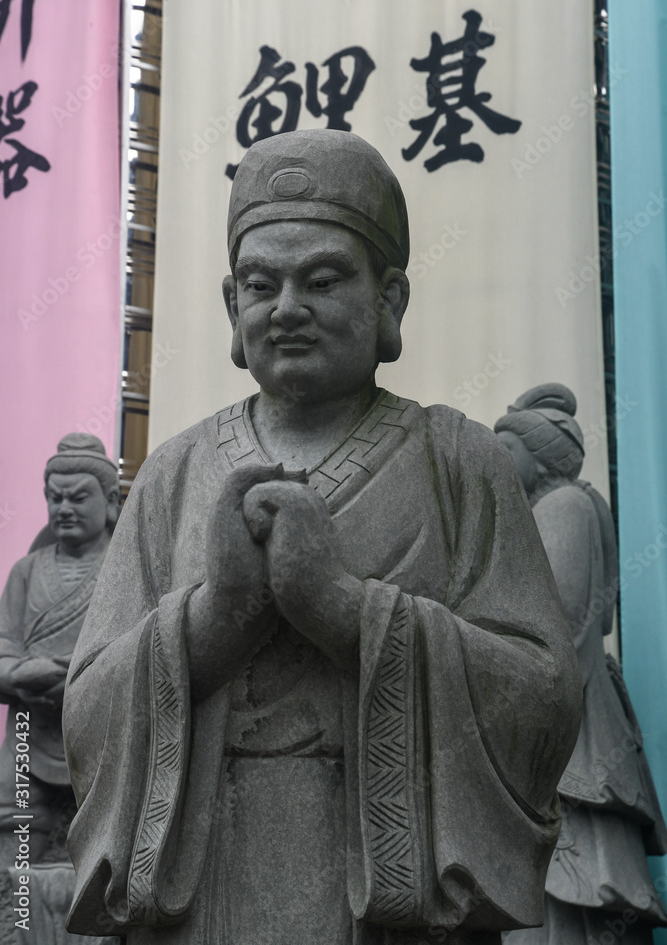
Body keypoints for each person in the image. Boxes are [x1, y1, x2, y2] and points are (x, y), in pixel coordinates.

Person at [63, 130, 581, 945]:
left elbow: (545, 698)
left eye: (324, 279)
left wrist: (344, 609)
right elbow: (86, 712)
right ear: (233, 308)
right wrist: (215, 619)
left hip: (386, 882)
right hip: (204, 880)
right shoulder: (173, 474)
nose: (287, 307)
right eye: (260, 285)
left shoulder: (458, 460)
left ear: (389, 300)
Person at [496, 384, 667, 945]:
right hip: (556, 712)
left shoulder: (564, 505)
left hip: (570, 726)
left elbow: (561, 623)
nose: (499, 461)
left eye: (508, 449)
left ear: (540, 456)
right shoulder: (554, 509)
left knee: (569, 877)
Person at [0, 433, 119, 866]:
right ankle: (20, 922)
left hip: (100, 732)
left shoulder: (124, 568)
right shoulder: (27, 571)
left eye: (78, 498)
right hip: (29, 730)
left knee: (100, 845)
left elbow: (144, 647)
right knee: (16, 836)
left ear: (108, 500)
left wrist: (82, 676)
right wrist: (17, 674)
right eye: (55, 498)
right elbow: (3, 645)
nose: (64, 508)